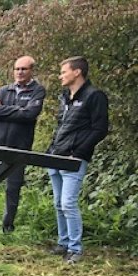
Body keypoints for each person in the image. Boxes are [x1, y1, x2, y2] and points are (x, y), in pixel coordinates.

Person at [0, 56, 46, 233]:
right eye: (17, 69)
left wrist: (3, 110)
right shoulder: (4, 90)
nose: (19, 72)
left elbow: (30, 114)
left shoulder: (38, 91)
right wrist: (18, 110)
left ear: (31, 71)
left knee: (12, 188)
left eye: (24, 69)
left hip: (18, 148)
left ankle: (7, 227)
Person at [46, 56, 108, 264]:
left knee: (68, 203)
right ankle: (63, 243)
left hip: (74, 158)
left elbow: (100, 129)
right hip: (56, 155)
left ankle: (75, 249)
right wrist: (50, 150)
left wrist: (79, 152)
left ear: (77, 72)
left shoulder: (94, 96)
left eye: (64, 72)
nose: (60, 76)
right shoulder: (65, 97)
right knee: (57, 203)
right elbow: (61, 126)